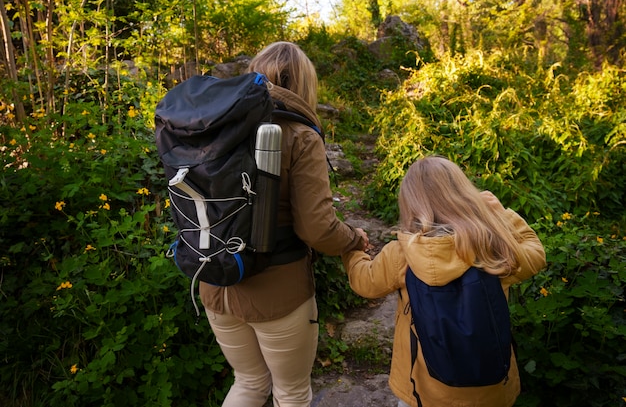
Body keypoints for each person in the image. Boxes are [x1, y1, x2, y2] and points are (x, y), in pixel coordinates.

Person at [199, 41, 367, 407]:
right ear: (305, 85)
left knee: (248, 383)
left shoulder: (218, 126)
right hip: (277, 293)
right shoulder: (300, 134)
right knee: (290, 393)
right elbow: (318, 229)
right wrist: (353, 239)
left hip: (215, 280)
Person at [341, 155, 546, 407]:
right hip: (491, 392)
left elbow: (365, 282)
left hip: (422, 391)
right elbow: (536, 254)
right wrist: (499, 214)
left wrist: (351, 249)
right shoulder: (492, 247)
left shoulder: (402, 253)